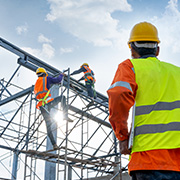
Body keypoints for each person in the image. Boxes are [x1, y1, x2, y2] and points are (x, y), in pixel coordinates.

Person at [107, 21, 180, 180]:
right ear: (157, 50)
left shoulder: (129, 67)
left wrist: (122, 136)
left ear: (131, 49)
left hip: (148, 159)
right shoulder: (177, 72)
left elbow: (119, 94)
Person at [34, 67, 72, 149]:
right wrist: (62, 75)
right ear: (44, 73)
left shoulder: (37, 83)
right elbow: (58, 80)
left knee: (48, 125)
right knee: (63, 98)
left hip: (42, 105)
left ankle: (54, 144)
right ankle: (65, 115)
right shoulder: (47, 78)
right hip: (48, 102)